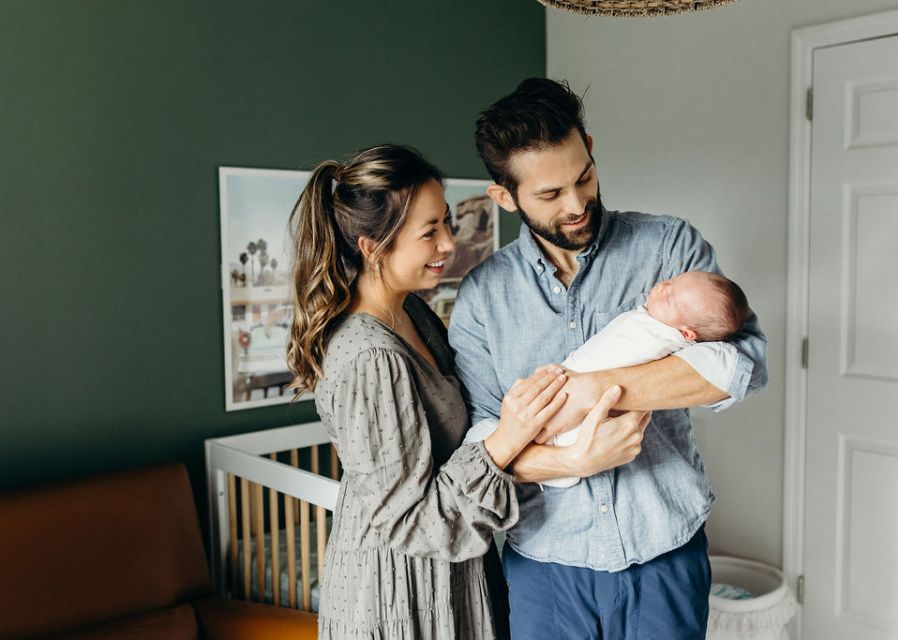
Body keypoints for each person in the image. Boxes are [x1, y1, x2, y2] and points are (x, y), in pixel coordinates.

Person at [447, 79, 768, 639]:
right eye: (550, 195)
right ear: (506, 197)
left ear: (590, 148)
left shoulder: (670, 249)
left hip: (663, 550)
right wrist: (572, 461)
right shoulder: (482, 298)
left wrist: (597, 389)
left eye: (584, 177)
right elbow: (482, 445)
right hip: (545, 560)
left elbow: (741, 367)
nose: (576, 205)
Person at [285, 144, 645, 639]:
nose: (448, 244)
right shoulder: (371, 357)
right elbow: (413, 523)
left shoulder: (413, 314)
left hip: (452, 573)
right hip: (402, 593)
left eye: (446, 224)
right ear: (372, 247)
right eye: (429, 232)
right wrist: (511, 436)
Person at [462, 270, 751, 488]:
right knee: (489, 438)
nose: (662, 287)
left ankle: (546, 458)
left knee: (500, 440)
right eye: (670, 282)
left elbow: (734, 367)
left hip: (581, 415)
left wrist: (585, 391)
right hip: (559, 389)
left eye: (671, 297)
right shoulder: (481, 289)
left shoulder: (665, 338)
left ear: (686, 334)